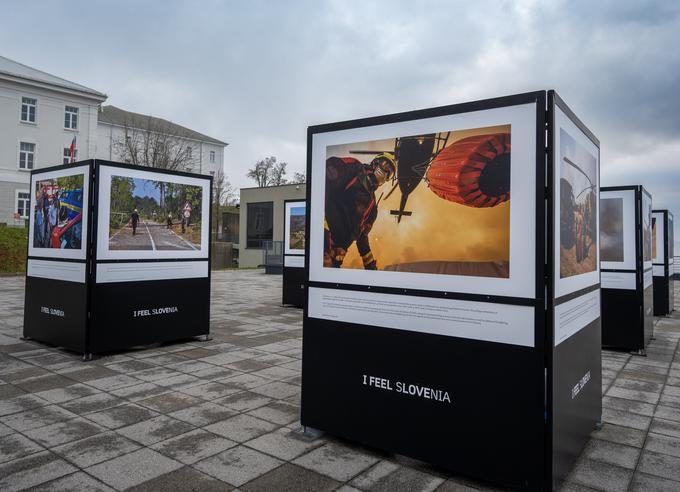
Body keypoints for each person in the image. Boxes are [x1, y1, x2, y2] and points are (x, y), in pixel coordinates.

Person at [324, 152, 396, 269]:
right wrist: (323, 231)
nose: (385, 172)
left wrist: (370, 266)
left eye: (389, 173)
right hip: (322, 244)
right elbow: (325, 174)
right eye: (384, 165)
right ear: (375, 162)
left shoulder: (372, 209)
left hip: (335, 260)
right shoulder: (354, 169)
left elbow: (362, 238)